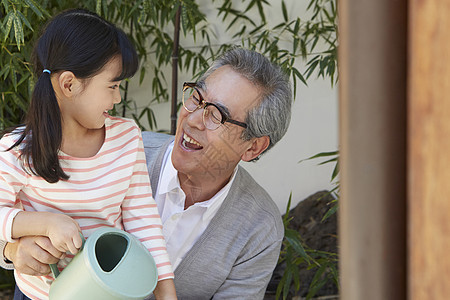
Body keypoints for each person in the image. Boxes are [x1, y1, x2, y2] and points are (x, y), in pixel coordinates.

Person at [2, 47, 293, 298]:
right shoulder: (118, 151)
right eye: (196, 98)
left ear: (253, 147)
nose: (192, 119)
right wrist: (12, 251)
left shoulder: (259, 227)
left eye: (216, 114)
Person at [0, 9, 176, 300]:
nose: (118, 98)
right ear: (69, 84)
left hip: (110, 293)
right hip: (39, 295)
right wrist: (44, 222)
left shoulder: (126, 137)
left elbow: (144, 221)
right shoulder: (17, 150)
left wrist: (167, 296)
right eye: (113, 86)